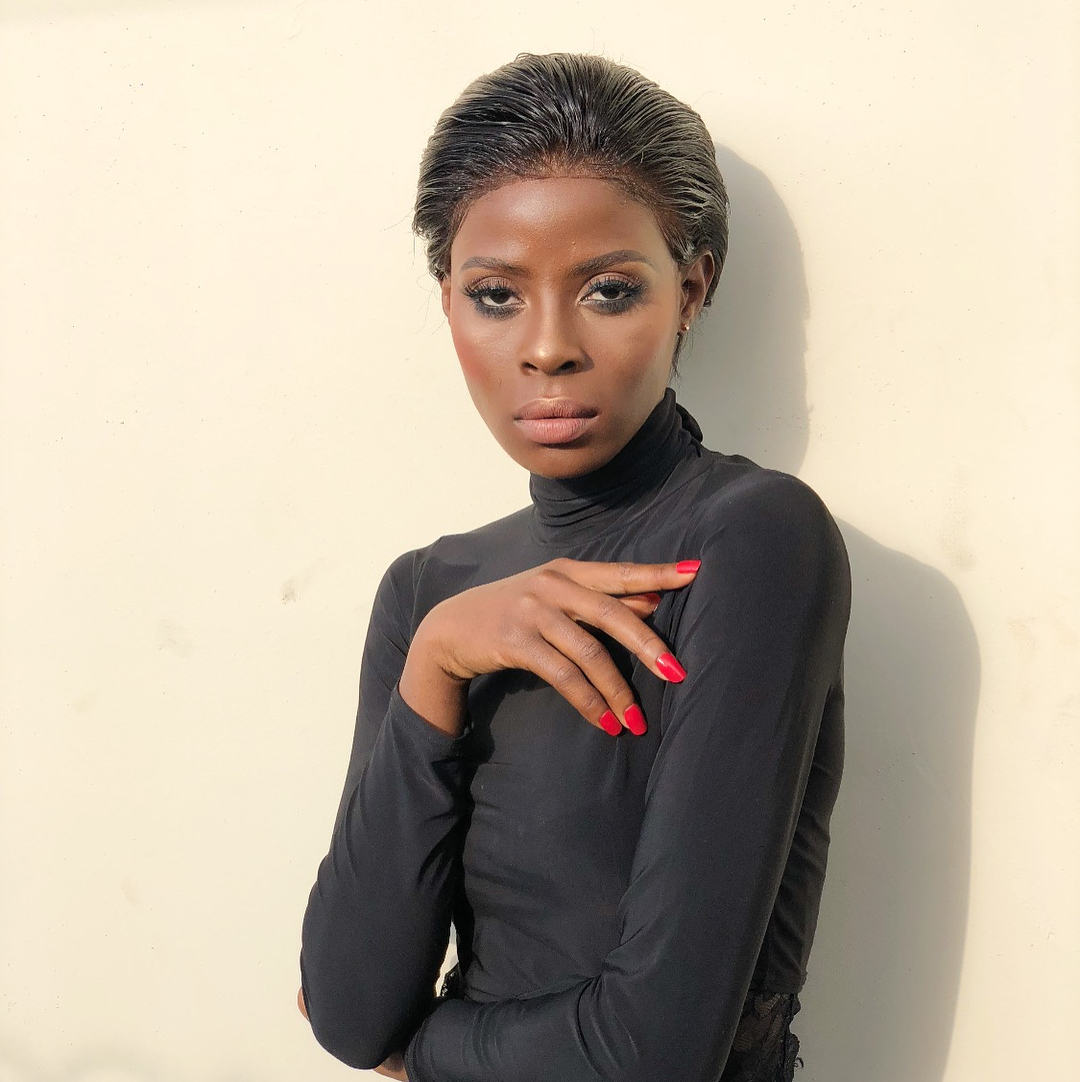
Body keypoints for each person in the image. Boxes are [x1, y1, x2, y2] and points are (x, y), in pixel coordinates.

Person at [297, 52, 851, 1082]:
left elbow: (655, 1050)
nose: (547, 347)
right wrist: (437, 661)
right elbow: (346, 1008)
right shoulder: (429, 593)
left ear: (692, 290)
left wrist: (423, 1053)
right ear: (449, 302)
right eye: (495, 294)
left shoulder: (754, 536)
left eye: (608, 290)